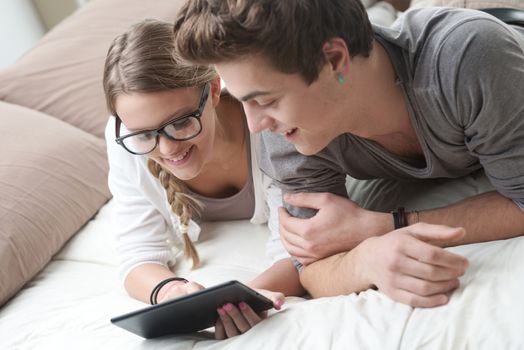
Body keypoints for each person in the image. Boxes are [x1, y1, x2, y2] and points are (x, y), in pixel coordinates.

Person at [172, 0, 524, 308]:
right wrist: (364, 262)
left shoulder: (465, 61)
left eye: (265, 100)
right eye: (245, 100)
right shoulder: (289, 133)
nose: (255, 126)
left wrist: (387, 226)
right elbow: (310, 269)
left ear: (335, 60)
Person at [102, 19, 306, 339]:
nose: (167, 149)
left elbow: (299, 251)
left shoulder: (267, 123)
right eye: (144, 134)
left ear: (212, 89)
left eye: (181, 122)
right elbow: (136, 255)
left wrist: (237, 302)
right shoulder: (128, 142)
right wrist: (171, 292)